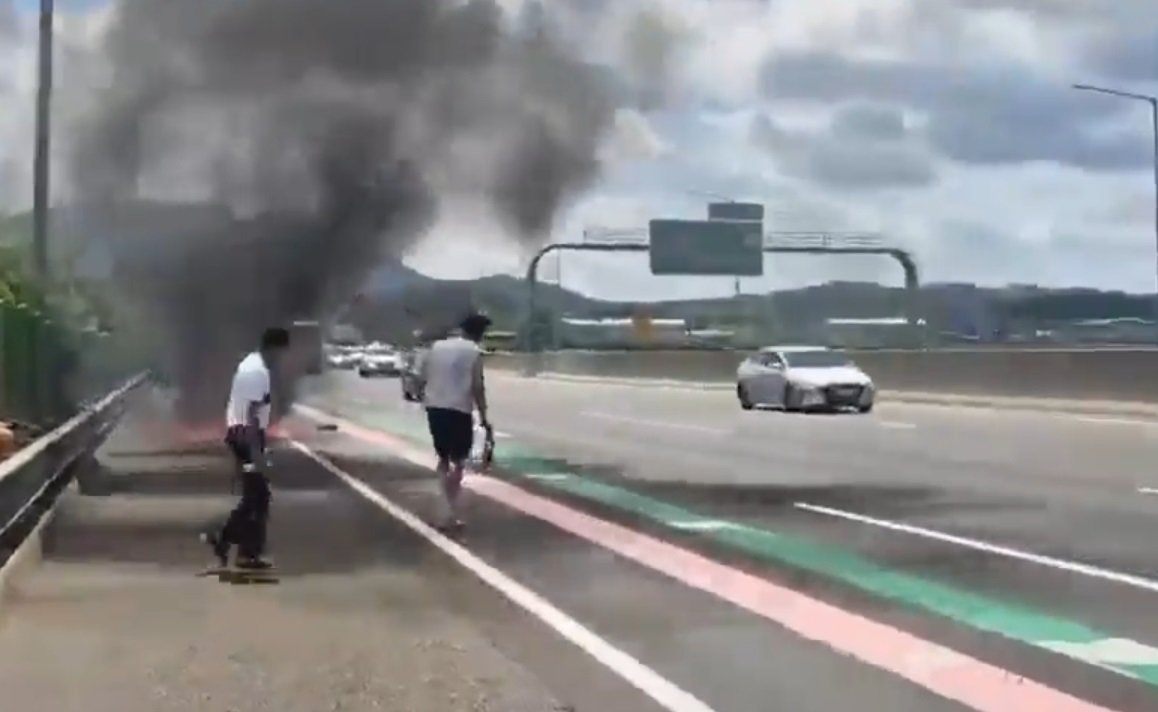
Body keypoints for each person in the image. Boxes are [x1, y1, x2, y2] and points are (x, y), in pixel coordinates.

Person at [201, 327, 291, 569]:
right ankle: (229, 540)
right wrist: (255, 452)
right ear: (275, 349)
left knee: (256, 496)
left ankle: (238, 547)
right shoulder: (257, 371)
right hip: (245, 436)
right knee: (258, 495)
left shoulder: (251, 364)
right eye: (282, 353)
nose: (282, 359)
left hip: (242, 434)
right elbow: (252, 414)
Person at [420, 313, 491, 531]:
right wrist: (484, 416)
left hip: (435, 407)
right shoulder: (475, 352)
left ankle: (444, 509)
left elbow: (423, 376)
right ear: (478, 333)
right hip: (459, 409)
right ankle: (448, 511)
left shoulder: (437, 346)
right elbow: (477, 387)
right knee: (459, 461)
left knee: (443, 458)